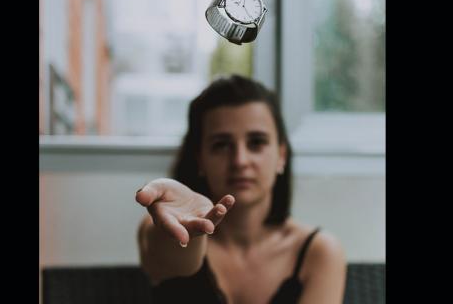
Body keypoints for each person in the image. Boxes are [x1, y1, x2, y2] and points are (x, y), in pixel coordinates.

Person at [135, 74, 346, 303]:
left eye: (256, 142)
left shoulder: (320, 252)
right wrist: (185, 232)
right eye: (221, 145)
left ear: (281, 155)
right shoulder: (163, 226)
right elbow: (171, 256)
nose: (240, 160)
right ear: (199, 159)